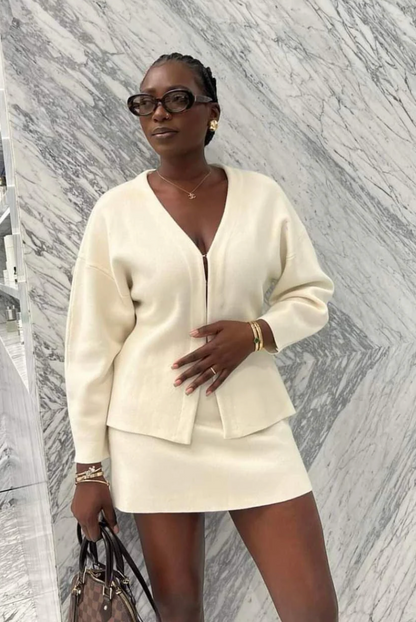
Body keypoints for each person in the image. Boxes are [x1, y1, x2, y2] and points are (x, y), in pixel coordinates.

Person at [65, 52, 338, 622]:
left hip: (254, 427)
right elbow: (90, 348)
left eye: (176, 99)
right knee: (180, 609)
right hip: (152, 435)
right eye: (145, 103)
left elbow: (311, 294)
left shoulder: (263, 198)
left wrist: (257, 333)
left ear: (211, 111)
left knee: (313, 610)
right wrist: (89, 469)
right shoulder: (115, 213)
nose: (159, 113)